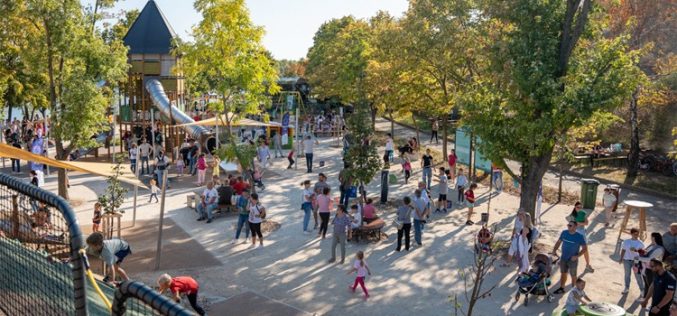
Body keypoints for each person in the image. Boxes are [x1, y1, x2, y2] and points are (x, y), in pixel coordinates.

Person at [552, 221, 588, 294]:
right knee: (563, 273)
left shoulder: (579, 236)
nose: (568, 226)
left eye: (570, 225)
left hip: (573, 260)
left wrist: (577, 256)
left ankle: (573, 291)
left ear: (575, 227)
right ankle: (562, 288)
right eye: (568, 225)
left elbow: (585, 249)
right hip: (563, 258)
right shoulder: (564, 233)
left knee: (573, 276)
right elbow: (559, 242)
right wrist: (554, 250)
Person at [568, 202, 595, 273]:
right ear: (575, 207)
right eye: (578, 207)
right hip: (574, 232)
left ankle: (588, 265)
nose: (579, 209)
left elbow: (586, 223)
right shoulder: (572, 214)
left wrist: (579, 223)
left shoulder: (583, 213)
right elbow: (569, 225)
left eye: (580, 207)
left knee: (585, 249)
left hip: (581, 232)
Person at [638, 232, 667, 298]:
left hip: (652, 270)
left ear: (654, 238)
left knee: (653, 287)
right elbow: (645, 252)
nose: (650, 238)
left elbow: (650, 259)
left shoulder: (659, 249)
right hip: (646, 268)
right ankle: (644, 298)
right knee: (647, 284)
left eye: (651, 237)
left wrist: (638, 258)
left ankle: (653, 304)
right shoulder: (652, 245)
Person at [619, 228, 645, 295]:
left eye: (637, 234)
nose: (636, 235)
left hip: (636, 261)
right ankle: (626, 288)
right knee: (627, 275)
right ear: (631, 234)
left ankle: (642, 290)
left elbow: (643, 253)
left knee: (638, 276)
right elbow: (623, 250)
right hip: (626, 260)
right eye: (634, 234)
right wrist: (621, 258)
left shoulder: (640, 243)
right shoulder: (626, 241)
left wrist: (636, 251)